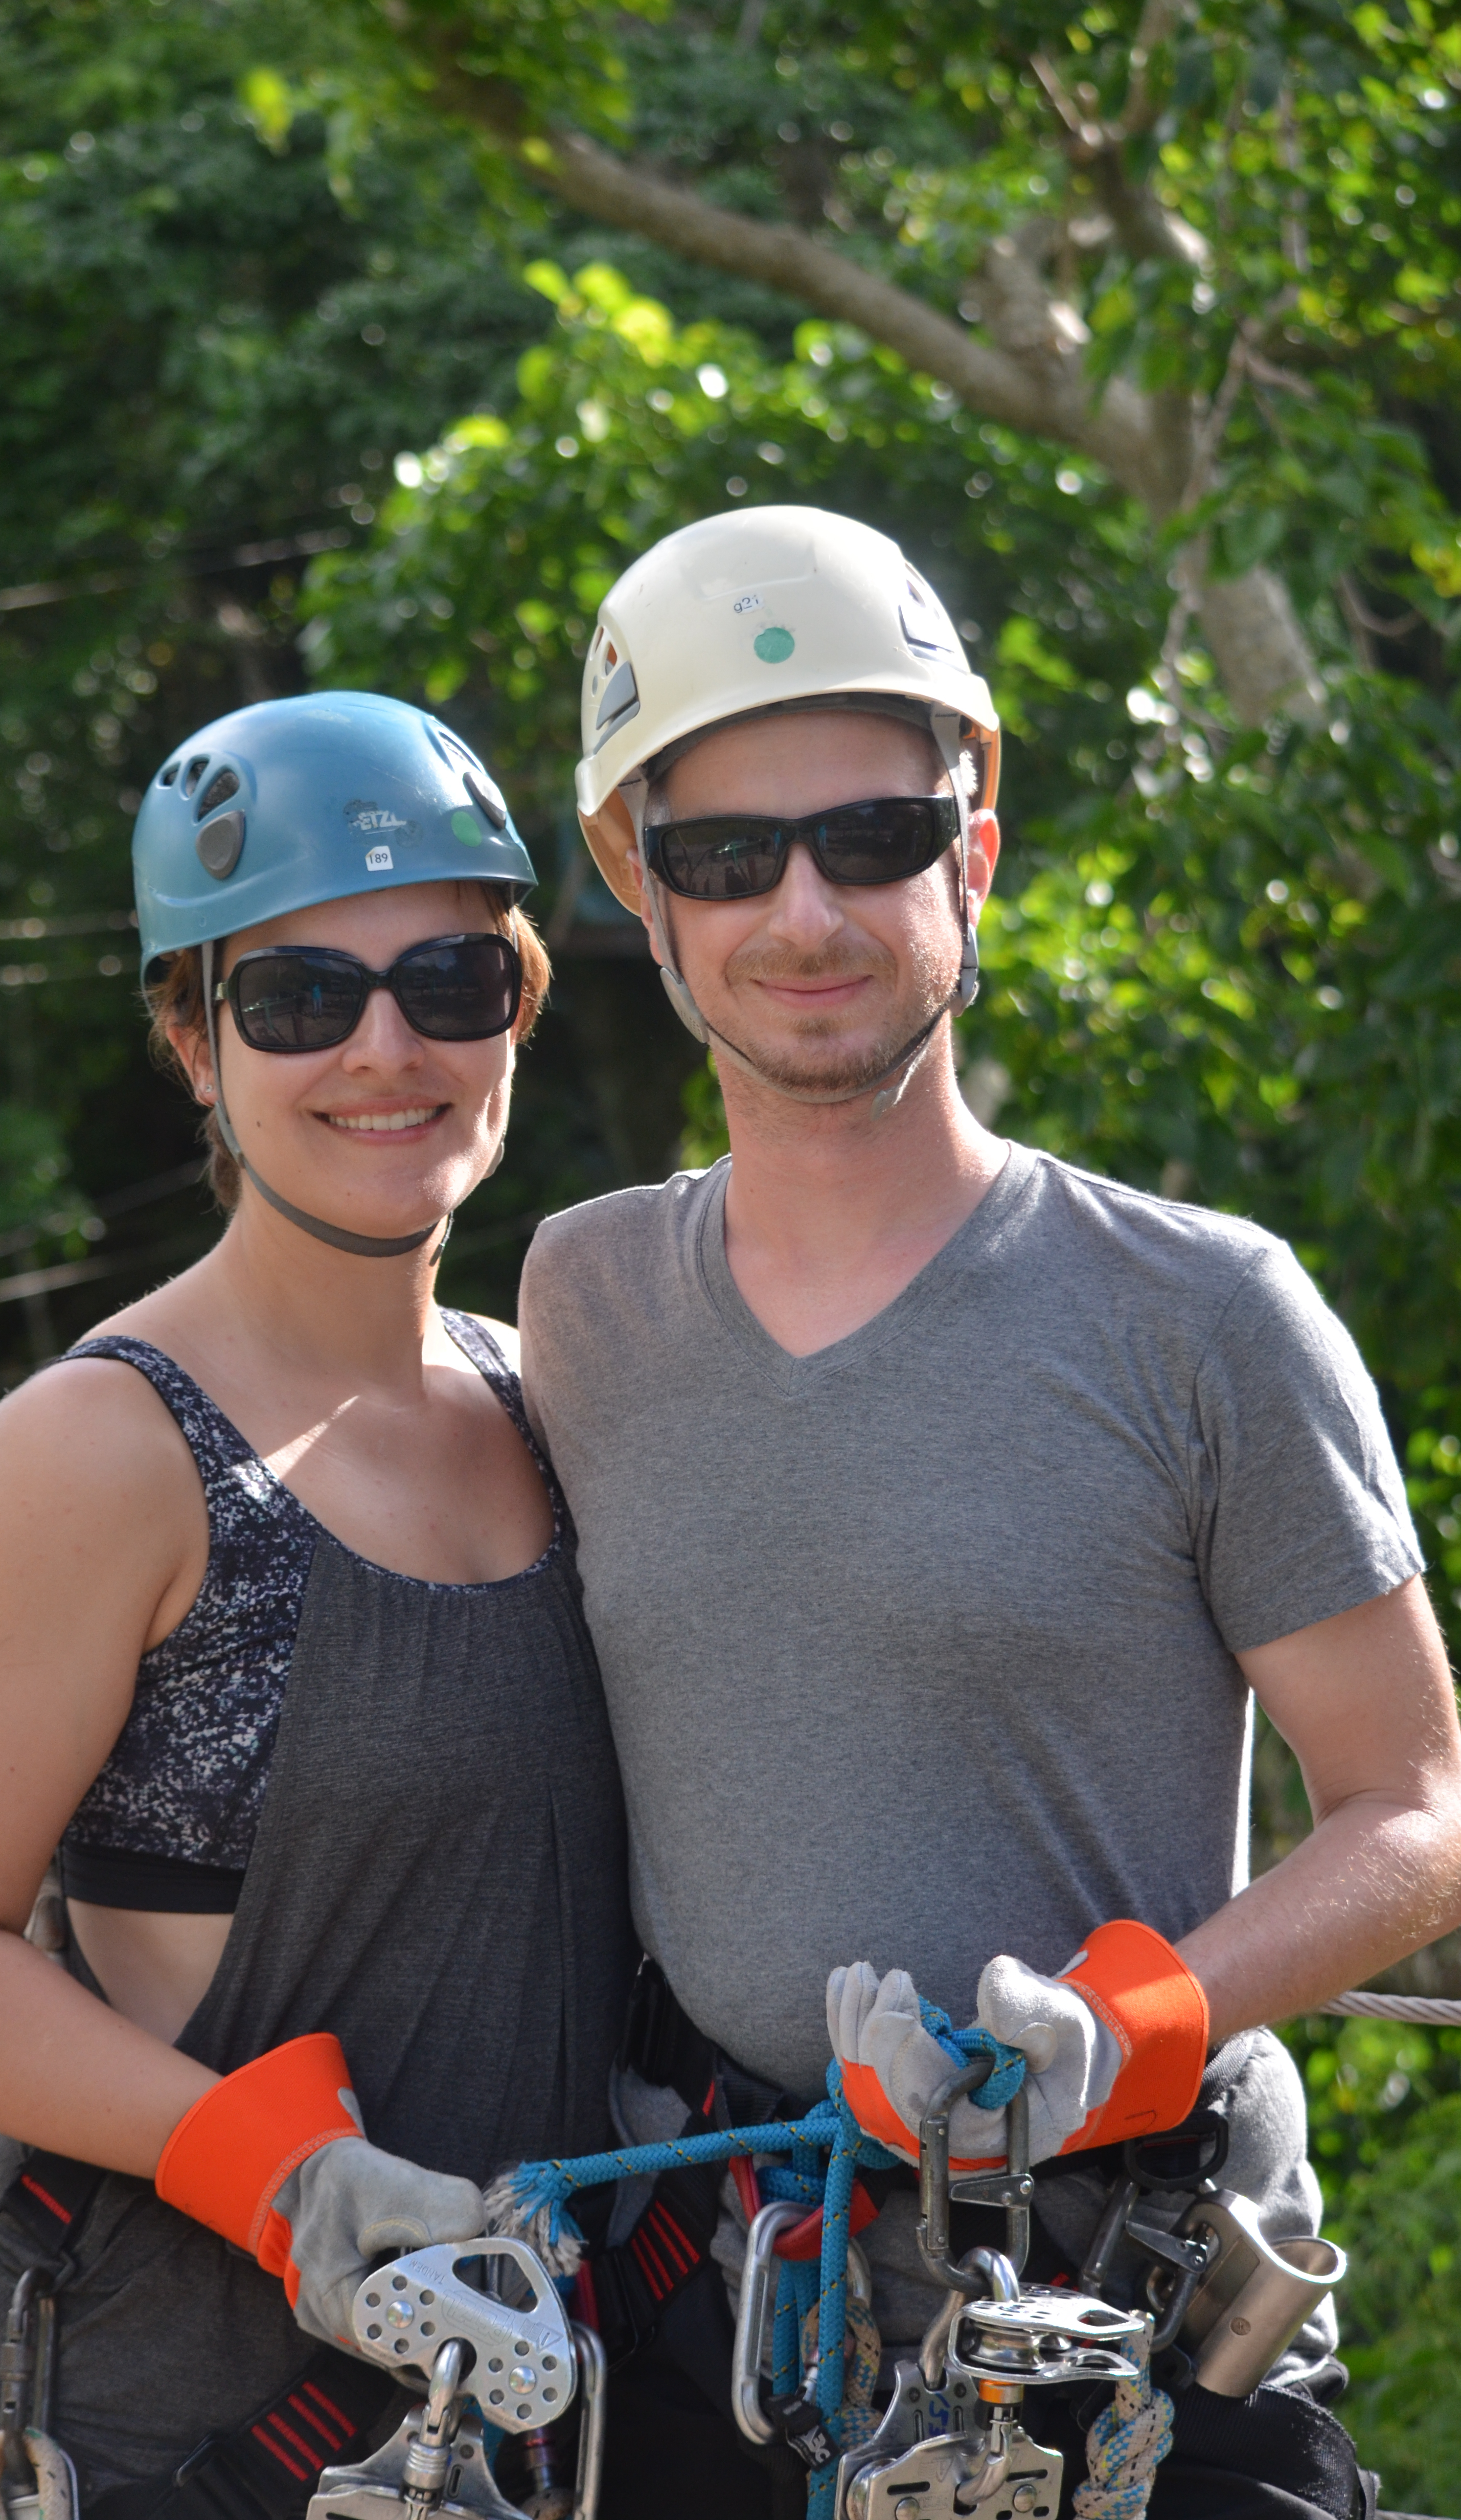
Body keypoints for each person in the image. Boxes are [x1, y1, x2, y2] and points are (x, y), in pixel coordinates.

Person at [517, 507, 1461, 2518]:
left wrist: (1130, 2025)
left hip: (1127, 2329)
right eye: (726, 855)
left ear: (975, 853)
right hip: (724, 2331)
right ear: (639, 889)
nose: (805, 910)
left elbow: (1416, 1804)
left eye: (872, 838)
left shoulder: (1203, 1314)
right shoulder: (585, 1300)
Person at [0, 691, 634, 2518]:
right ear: (194, 1042)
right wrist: (278, 2171)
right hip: (173, 2444)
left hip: (512, 2433)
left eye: (447, 981)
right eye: (297, 999)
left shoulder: (547, 1405)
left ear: (516, 1011)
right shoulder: (101, 1456)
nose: (383, 1048)